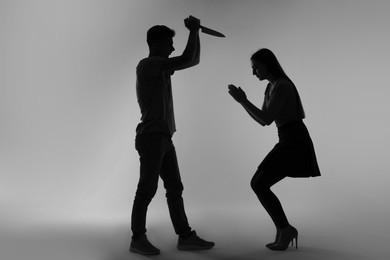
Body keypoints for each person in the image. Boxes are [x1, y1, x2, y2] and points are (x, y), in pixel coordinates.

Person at [130, 16, 215, 255]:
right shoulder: (148, 65)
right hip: (151, 137)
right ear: (156, 44)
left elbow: (192, 60)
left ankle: (185, 237)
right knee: (146, 189)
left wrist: (195, 32)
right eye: (169, 43)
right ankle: (137, 239)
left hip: (164, 138)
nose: (172, 48)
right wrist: (193, 31)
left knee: (175, 188)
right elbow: (187, 58)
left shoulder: (162, 69)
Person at [228, 48, 321, 251]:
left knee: (259, 184)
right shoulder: (270, 87)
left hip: (295, 140)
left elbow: (266, 118)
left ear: (267, 64)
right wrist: (242, 102)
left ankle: (285, 229)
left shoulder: (282, 86)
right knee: (257, 183)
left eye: (256, 68)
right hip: (286, 138)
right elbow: (264, 121)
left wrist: (242, 100)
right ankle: (284, 229)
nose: (254, 73)